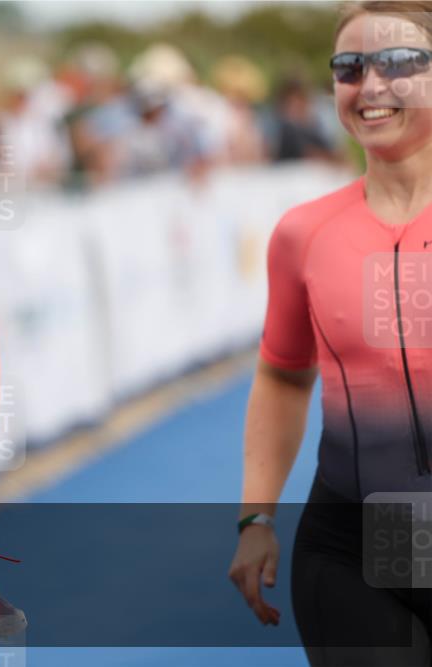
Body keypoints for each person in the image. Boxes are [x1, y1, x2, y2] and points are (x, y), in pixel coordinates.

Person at [229, 2, 432, 665]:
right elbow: (283, 374)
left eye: (398, 63)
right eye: (350, 67)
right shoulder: (304, 231)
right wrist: (257, 517)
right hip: (350, 543)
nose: (370, 85)